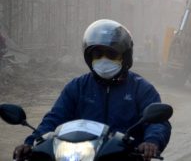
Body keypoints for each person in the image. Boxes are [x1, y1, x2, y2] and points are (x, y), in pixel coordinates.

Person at [13, 19, 171, 161]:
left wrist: (151, 141)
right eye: (98, 54)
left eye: (111, 54)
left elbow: (157, 123)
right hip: (80, 157)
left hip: (124, 157)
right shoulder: (77, 86)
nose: (104, 59)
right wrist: (30, 143)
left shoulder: (141, 89)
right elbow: (54, 118)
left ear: (125, 57)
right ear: (89, 58)